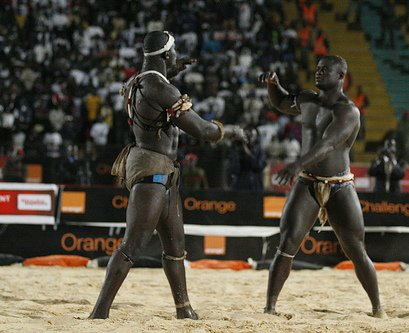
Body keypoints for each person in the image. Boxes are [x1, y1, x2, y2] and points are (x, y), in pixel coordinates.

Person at [88, 30, 247, 320]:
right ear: (165, 56)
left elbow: (155, 87)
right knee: (132, 247)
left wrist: (170, 66)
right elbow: (203, 130)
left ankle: (184, 310)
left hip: (158, 170)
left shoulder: (136, 81)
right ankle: (99, 312)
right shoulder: (162, 90)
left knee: (175, 248)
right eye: (172, 56)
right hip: (153, 169)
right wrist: (234, 131)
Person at [259, 55, 385, 318]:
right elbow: (282, 102)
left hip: (339, 184)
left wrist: (296, 164)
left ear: (341, 76)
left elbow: (328, 145)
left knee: (356, 250)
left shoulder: (347, 111)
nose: (319, 73)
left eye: (325, 70)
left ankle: (377, 308)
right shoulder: (306, 99)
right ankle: (269, 307)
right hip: (308, 182)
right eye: (317, 69)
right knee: (287, 242)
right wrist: (273, 85)